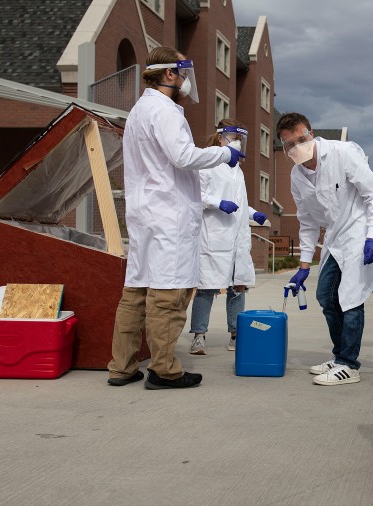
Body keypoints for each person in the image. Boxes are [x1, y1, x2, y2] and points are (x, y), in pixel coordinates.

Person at [106, 46, 243, 390]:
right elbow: (182, 155)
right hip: (170, 214)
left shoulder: (139, 110)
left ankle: (122, 367)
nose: (184, 80)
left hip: (144, 213)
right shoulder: (166, 111)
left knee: (136, 290)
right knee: (169, 294)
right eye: (182, 73)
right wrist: (225, 153)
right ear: (169, 74)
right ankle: (164, 370)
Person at [278, 112, 373, 386]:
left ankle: (349, 364)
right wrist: (302, 265)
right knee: (326, 295)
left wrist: (372, 236)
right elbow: (308, 221)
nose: (296, 148)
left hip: (361, 229)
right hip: (336, 236)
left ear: (310, 134)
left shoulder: (343, 153)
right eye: (289, 145)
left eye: (300, 140)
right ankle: (339, 357)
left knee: (350, 296)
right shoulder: (296, 177)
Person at [189, 119, 269, 355]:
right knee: (207, 287)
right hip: (214, 235)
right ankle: (198, 336)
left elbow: (240, 202)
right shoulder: (207, 162)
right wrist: (217, 203)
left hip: (237, 237)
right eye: (235, 139)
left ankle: (236, 334)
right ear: (220, 138)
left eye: (240, 140)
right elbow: (195, 195)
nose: (238, 143)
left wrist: (254, 213)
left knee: (239, 286)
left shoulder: (238, 169)